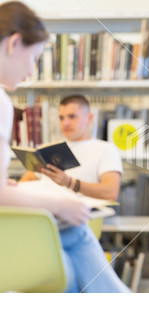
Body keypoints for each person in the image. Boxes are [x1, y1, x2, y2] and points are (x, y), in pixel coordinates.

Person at [0, 1, 129, 293]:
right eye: (33, 58)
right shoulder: (1, 102)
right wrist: (58, 203)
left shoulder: (104, 149)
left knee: (70, 268)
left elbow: (111, 191)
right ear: (15, 43)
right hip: (27, 226)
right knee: (71, 261)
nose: (31, 70)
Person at [20, 94, 122, 201]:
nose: (66, 123)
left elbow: (111, 193)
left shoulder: (105, 149)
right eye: (61, 118)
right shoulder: (49, 149)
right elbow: (25, 181)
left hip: (81, 214)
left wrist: (69, 182)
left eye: (72, 116)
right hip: (44, 211)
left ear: (90, 118)